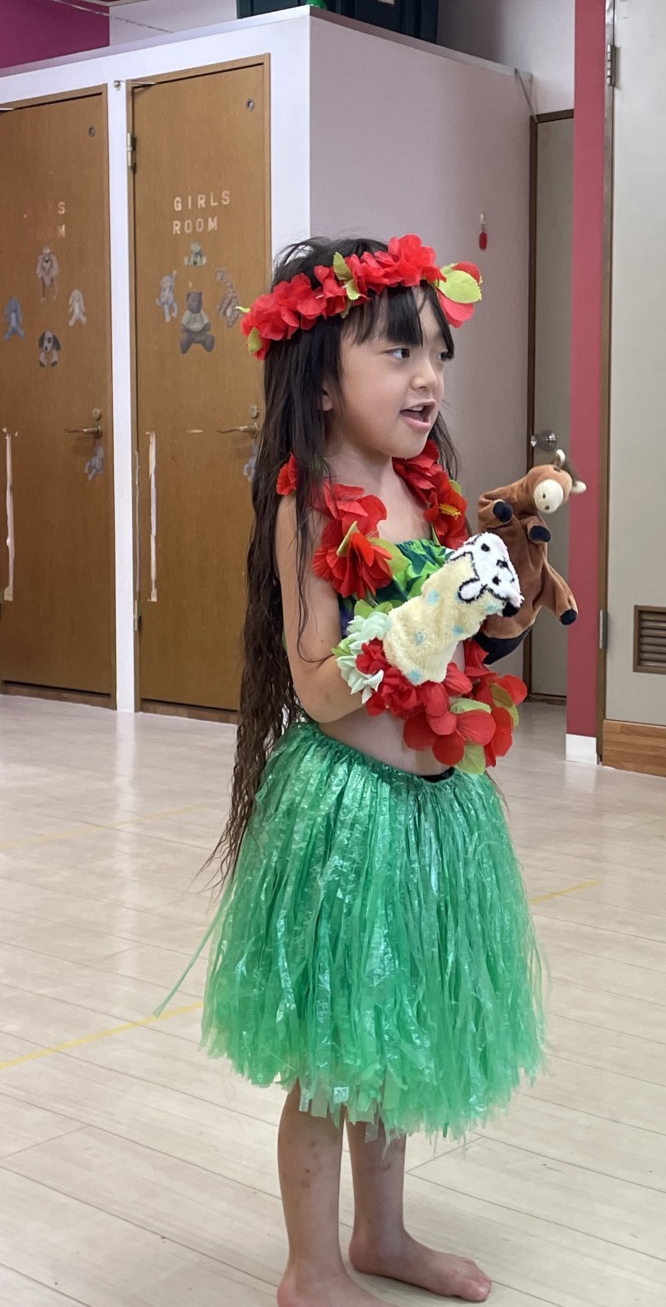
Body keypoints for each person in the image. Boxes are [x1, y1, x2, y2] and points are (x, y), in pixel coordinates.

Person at [199, 236, 545, 1307]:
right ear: (320, 377)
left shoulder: (426, 494)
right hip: (347, 817)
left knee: (389, 1033)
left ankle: (383, 1233)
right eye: (398, 352)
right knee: (328, 1051)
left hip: (436, 812)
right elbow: (319, 685)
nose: (428, 376)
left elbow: (461, 656)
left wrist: (499, 612)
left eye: (438, 352)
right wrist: (429, 613)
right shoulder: (307, 504)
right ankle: (311, 1268)